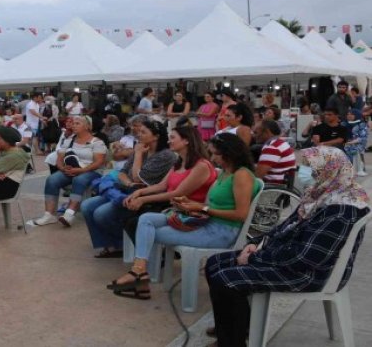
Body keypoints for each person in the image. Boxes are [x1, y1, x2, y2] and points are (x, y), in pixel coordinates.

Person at [204, 147, 370, 347]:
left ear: (330, 171)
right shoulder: (321, 196)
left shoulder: (341, 210)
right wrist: (256, 244)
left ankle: (232, 342)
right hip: (288, 258)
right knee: (214, 263)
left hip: (310, 273)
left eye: (314, 169)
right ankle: (236, 327)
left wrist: (255, 258)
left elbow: (306, 258)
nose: (307, 173)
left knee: (226, 280)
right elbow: (283, 228)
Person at [109, 132, 260, 300]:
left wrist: (202, 208)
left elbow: (240, 214)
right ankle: (139, 273)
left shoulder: (242, 175)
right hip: (206, 221)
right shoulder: (225, 171)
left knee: (149, 233)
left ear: (230, 153)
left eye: (216, 154)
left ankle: (139, 277)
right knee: (145, 220)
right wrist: (189, 205)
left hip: (221, 231)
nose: (213, 158)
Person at [83, 125, 214, 258]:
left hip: (183, 210)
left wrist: (142, 197)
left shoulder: (193, 163)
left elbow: (176, 193)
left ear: (186, 140)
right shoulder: (180, 162)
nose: (169, 141)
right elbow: (161, 185)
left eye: (173, 138)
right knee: (89, 206)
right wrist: (138, 193)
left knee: (122, 217)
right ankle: (134, 253)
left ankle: (149, 260)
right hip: (153, 197)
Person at [34, 116, 108, 227]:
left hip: (91, 170)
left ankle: (69, 213)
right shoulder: (69, 140)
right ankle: (49, 214)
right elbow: (59, 158)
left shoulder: (96, 142)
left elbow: (98, 162)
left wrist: (81, 170)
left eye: (77, 123)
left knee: (79, 179)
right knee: (52, 180)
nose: (74, 125)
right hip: (71, 170)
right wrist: (62, 168)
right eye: (73, 123)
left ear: (87, 126)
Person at [254, 120, 296, 185]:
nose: (254, 136)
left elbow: (258, 175)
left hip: (272, 188)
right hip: (281, 184)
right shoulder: (280, 143)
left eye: (256, 132)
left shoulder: (272, 147)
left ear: (267, 132)